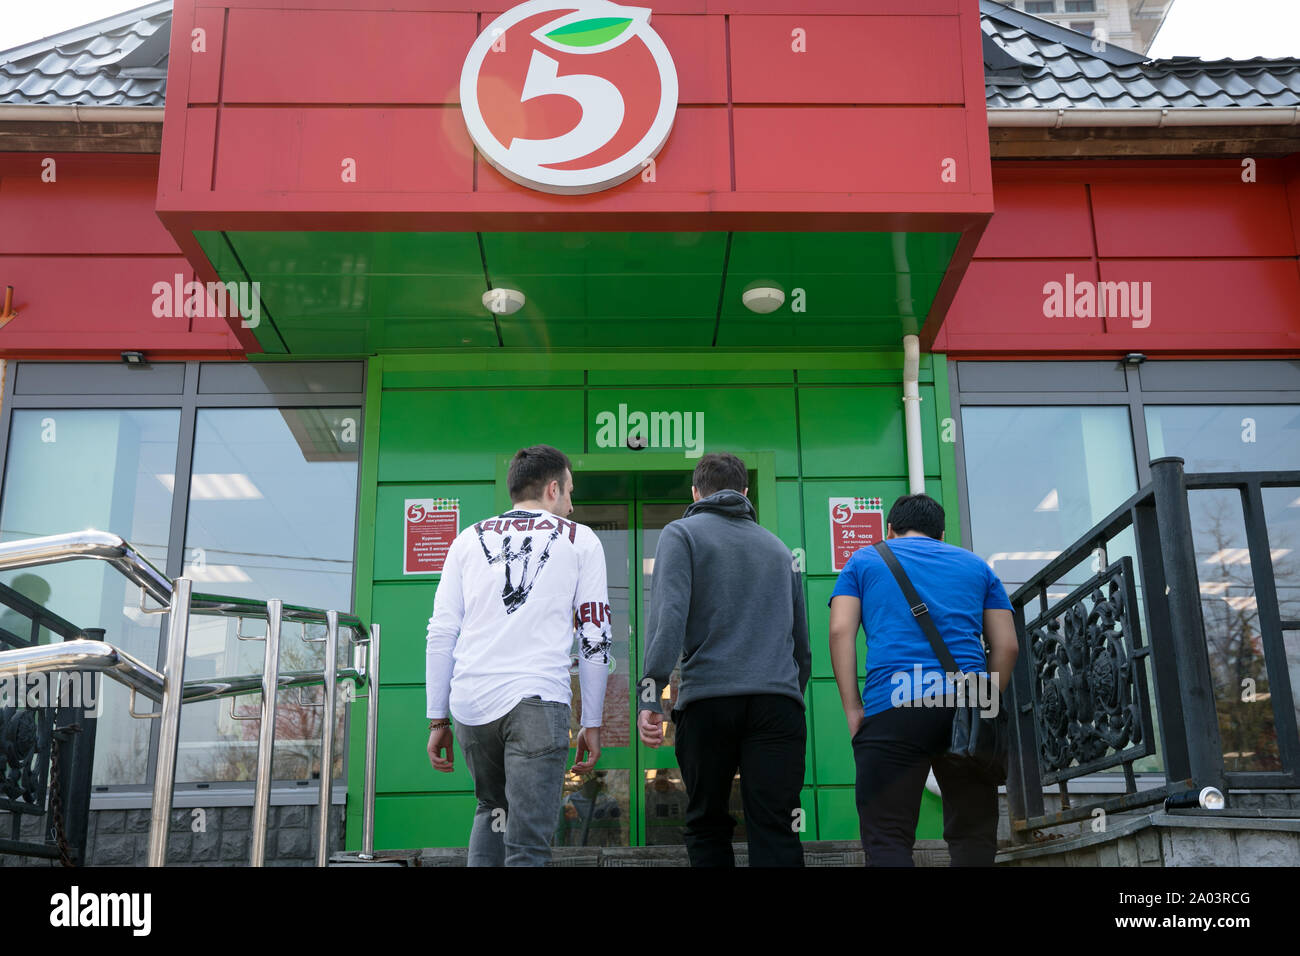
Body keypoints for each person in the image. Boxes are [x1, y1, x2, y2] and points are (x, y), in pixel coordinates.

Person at [425, 445, 612, 866]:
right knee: (528, 844)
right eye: (569, 492)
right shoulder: (580, 540)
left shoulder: (466, 540)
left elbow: (441, 633)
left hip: (472, 706)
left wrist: (438, 718)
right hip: (537, 702)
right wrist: (593, 721)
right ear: (552, 488)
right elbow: (595, 633)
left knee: (492, 809)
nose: (571, 503)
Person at [637, 451, 811, 867]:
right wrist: (785, 694)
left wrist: (649, 695)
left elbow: (668, 622)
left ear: (696, 491)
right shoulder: (779, 549)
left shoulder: (681, 534)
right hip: (778, 705)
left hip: (709, 702)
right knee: (776, 826)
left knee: (707, 824)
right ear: (746, 492)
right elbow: (801, 647)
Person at [828, 492, 1018, 867]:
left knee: (888, 837)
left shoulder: (864, 561)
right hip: (965, 705)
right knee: (973, 835)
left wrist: (853, 709)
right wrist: (983, 706)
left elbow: (839, 632)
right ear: (942, 533)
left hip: (894, 705)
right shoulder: (978, 567)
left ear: (890, 529)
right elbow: (1007, 646)